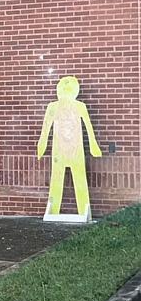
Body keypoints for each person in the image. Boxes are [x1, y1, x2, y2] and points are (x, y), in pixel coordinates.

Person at [36, 75, 102, 218]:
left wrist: (93, 145)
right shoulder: (55, 107)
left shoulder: (77, 106)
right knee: (58, 180)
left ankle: (83, 211)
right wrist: (41, 145)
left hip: (73, 149)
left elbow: (88, 127)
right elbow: (45, 128)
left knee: (77, 179)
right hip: (63, 151)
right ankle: (53, 211)